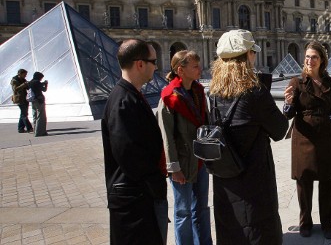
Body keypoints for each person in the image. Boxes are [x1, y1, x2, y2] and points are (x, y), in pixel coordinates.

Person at [208, 29, 288, 245]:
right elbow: (280, 130)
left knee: (231, 236)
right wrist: (286, 108)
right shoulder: (255, 92)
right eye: (253, 51)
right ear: (247, 56)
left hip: (225, 183)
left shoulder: (214, 94)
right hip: (254, 186)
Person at [101, 39, 168, 244]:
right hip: (134, 198)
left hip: (137, 195)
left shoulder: (129, 95)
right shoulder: (124, 100)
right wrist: (154, 179)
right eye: (153, 61)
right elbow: (128, 153)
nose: (156, 66)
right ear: (140, 64)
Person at [283, 41, 331, 240]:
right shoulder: (296, 82)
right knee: (304, 183)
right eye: (307, 57)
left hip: (326, 135)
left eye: (314, 57)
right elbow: (288, 114)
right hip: (304, 136)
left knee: (328, 181)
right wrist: (287, 103)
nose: (310, 61)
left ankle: (328, 224)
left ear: (322, 61)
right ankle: (306, 222)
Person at [157, 50, 212, 245]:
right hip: (181, 163)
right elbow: (167, 137)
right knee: (183, 211)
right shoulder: (169, 98)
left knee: (202, 208)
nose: (200, 69)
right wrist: (174, 167)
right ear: (181, 70)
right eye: (195, 66)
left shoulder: (198, 91)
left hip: (199, 160)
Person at [11, 69, 33, 133]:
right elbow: (15, 89)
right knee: (24, 114)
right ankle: (29, 128)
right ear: (20, 74)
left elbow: (27, 87)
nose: (25, 76)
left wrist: (29, 84)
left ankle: (20, 128)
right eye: (24, 74)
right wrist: (23, 85)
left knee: (23, 114)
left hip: (24, 98)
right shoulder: (14, 81)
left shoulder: (23, 80)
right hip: (19, 99)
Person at [29, 72, 48, 137]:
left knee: (35, 115)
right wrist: (45, 84)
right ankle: (40, 132)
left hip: (33, 100)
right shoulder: (37, 82)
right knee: (41, 116)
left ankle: (35, 129)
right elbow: (44, 90)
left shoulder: (31, 82)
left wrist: (42, 83)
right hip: (39, 100)